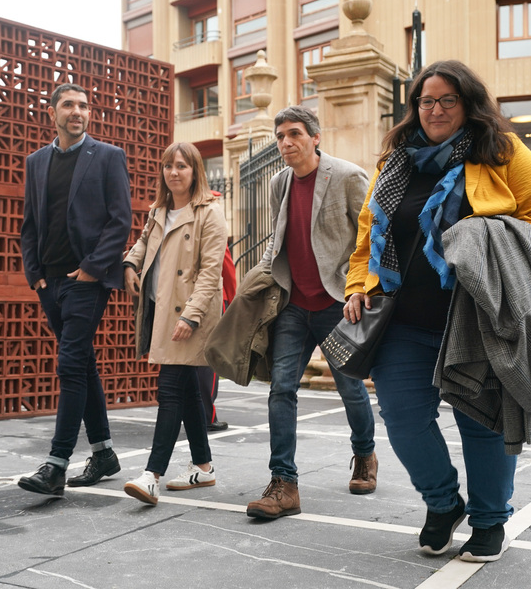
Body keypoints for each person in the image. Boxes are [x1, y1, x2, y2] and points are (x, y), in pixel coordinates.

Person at [343, 60, 531, 562]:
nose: (436, 109)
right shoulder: (394, 161)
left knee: (481, 420)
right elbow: (367, 238)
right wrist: (358, 285)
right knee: (402, 419)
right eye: (427, 100)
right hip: (401, 317)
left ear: (468, 104)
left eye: (448, 100)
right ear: (414, 107)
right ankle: (444, 504)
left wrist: (487, 236)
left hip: (479, 315)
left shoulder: (501, 151)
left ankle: (490, 520)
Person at [246, 106, 378, 520]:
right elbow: (277, 238)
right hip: (293, 304)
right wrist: (265, 274)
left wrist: (360, 289)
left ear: (315, 137)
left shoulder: (347, 176)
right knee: (281, 388)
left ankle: (364, 456)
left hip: (338, 304)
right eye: (281, 136)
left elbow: (371, 237)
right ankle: (283, 483)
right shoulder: (278, 182)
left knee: (351, 389)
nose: (286, 143)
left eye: (295, 134)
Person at [18, 83, 132, 496]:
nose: (78, 112)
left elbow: (120, 220)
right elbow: (30, 222)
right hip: (50, 281)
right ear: (53, 113)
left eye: (84, 106)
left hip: (86, 281)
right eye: (69, 105)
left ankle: (56, 464)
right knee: (82, 363)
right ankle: (103, 452)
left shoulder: (107, 157)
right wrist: (35, 274)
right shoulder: (36, 162)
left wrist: (90, 270)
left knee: (69, 365)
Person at [121, 142, 228, 505]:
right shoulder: (159, 209)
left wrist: (192, 315)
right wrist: (130, 264)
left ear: (195, 170)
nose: (174, 172)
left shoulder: (210, 212)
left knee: (169, 390)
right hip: (160, 311)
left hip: (188, 316)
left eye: (181, 166)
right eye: (168, 166)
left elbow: (212, 272)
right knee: (186, 393)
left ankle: (151, 475)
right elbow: (143, 242)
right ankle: (203, 467)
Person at [198, 241, 237, 432]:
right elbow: (227, 270)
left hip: (181, 299)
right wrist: (232, 300)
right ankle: (207, 416)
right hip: (212, 299)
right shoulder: (212, 221)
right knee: (208, 359)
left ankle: (187, 411)